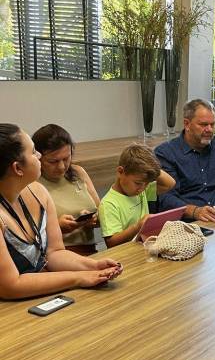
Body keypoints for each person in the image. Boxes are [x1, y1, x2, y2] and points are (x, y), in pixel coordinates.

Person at [0, 124, 122, 300]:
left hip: (36, 294)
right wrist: (78, 278)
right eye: (33, 152)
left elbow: (54, 253)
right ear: (18, 168)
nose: (39, 155)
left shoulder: (39, 192)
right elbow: (11, 286)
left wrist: (93, 266)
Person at [31, 124, 100, 255]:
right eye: (53, 161)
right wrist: (56, 227)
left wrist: (93, 219)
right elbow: (27, 235)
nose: (62, 166)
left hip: (89, 250)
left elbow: (100, 212)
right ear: (38, 158)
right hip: (56, 255)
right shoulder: (32, 184)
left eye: (66, 158)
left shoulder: (78, 173)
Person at [98, 143, 175, 247]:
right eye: (138, 183)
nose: (142, 188)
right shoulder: (109, 203)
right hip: (125, 253)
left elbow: (170, 183)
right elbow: (111, 243)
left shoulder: (141, 189)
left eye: (147, 183)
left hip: (144, 248)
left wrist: (151, 167)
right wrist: (137, 226)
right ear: (120, 172)